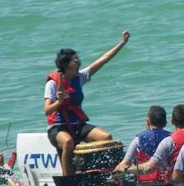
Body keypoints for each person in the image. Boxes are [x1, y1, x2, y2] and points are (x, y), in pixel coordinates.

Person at [44, 31, 131, 177]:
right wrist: (59, 102)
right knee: (68, 142)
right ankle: (69, 179)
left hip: (78, 125)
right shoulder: (53, 84)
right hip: (57, 128)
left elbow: (104, 59)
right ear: (66, 65)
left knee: (106, 138)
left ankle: (101, 173)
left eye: (78, 58)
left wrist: (122, 43)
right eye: (75, 60)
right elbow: (47, 110)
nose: (78, 61)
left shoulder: (80, 77)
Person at [124, 104, 184, 182]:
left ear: (172, 121)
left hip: (148, 181)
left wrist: (124, 170)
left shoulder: (169, 140)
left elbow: (150, 166)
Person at [113, 105, 171, 183]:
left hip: (143, 184)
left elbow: (125, 163)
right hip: (167, 182)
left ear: (148, 121)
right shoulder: (171, 138)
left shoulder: (138, 140)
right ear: (165, 123)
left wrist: (115, 174)